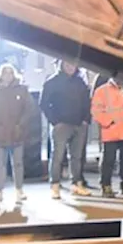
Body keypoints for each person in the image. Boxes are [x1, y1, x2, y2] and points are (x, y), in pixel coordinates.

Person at [0, 64, 37, 203]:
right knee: (0, 163)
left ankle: (19, 190)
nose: (8, 75)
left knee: (18, 163)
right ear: (0, 74)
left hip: (17, 133)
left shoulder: (22, 90)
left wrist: (21, 125)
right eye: (5, 73)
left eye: (10, 72)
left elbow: (29, 109)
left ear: (14, 74)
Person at [40, 59, 92, 199]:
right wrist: (55, 121)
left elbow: (87, 102)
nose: (71, 67)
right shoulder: (52, 82)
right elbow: (44, 104)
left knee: (76, 157)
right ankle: (55, 185)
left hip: (79, 125)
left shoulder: (80, 83)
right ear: (61, 65)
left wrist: (86, 120)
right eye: (68, 64)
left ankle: (76, 184)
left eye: (73, 65)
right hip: (61, 126)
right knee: (57, 156)